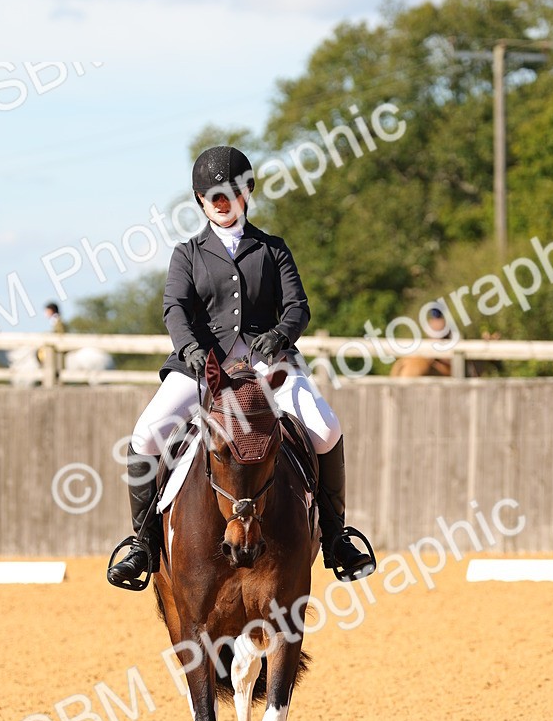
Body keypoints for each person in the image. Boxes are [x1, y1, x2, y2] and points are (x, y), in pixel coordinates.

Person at [107, 144, 375, 589]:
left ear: (247, 192)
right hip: (201, 365)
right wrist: (190, 349)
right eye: (214, 197)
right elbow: (175, 308)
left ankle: (335, 536)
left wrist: (279, 337)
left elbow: (298, 307)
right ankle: (144, 543)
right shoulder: (187, 254)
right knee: (146, 433)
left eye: (231, 194)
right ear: (200, 201)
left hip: (270, 365)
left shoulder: (272, 248)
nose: (223, 203)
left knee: (326, 427)